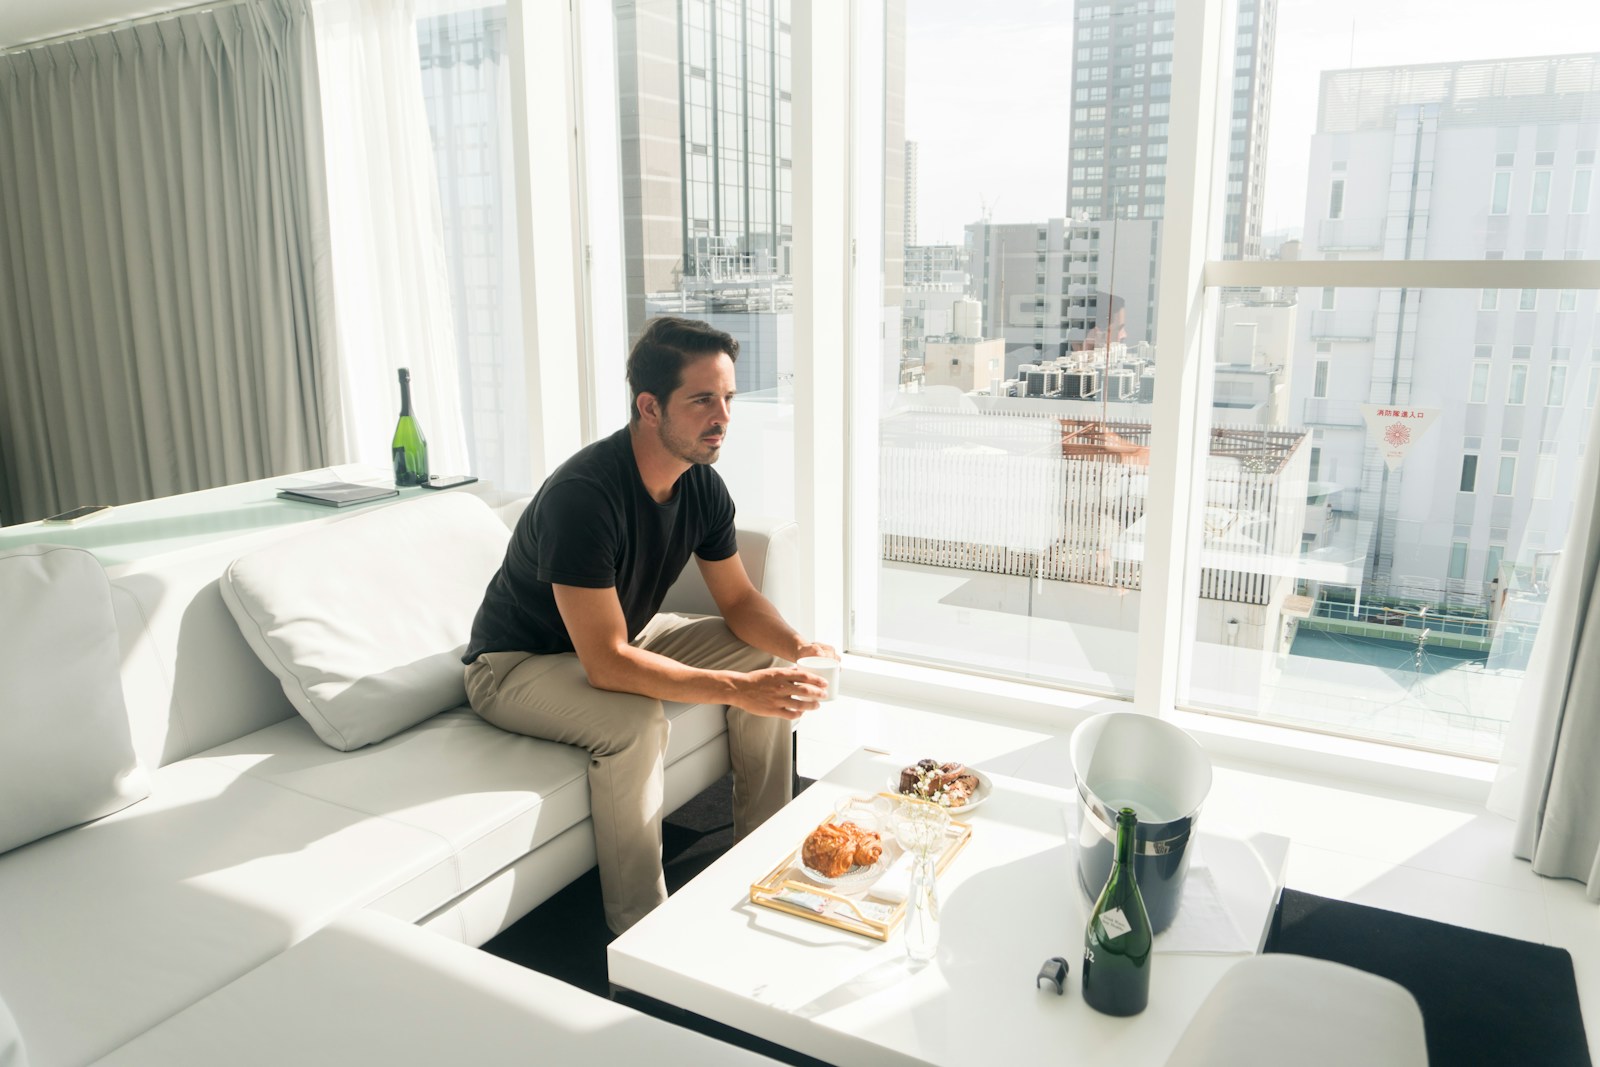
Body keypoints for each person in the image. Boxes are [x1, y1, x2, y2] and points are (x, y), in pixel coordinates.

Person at [461, 316, 836, 935]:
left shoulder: (702, 487)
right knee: (636, 719)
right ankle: (640, 926)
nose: (722, 416)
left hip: (619, 635)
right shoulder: (584, 496)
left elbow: (739, 602)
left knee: (767, 657)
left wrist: (797, 645)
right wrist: (736, 691)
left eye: (728, 399)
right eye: (702, 400)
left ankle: (763, 855)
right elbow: (607, 665)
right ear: (649, 406)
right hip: (516, 665)